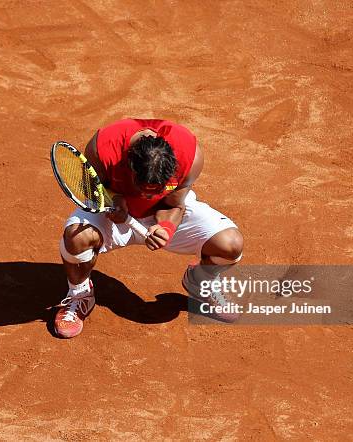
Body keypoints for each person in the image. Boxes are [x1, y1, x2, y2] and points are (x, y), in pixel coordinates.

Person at [55, 118, 243, 338]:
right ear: (130, 167)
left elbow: (174, 204)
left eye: (157, 190)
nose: (149, 197)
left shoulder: (190, 156)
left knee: (230, 245)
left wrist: (165, 228)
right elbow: (91, 188)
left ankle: (201, 280)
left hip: (164, 212)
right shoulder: (103, 148)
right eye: (143, 189)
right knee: (76, 238)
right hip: (114, 211)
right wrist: (113, 199)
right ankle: (80, 295)